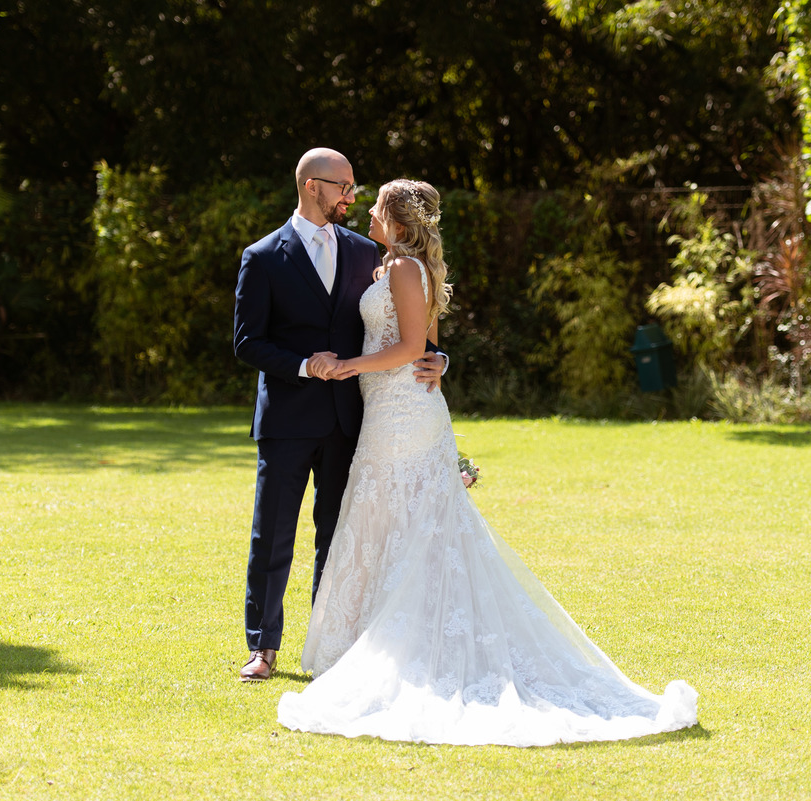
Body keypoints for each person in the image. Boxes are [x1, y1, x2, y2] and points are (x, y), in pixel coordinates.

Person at [276, 179, 697, 746]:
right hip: (389, 412)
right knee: (390, 522)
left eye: (376, 208)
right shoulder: (392, 267)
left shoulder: (402, 270)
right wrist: (422, 359)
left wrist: (350, 366)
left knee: (412, 523)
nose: (368, 214)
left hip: (403, 415)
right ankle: (378, 645)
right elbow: (417, 341)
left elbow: (409, 349)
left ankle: (410, 651)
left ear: (398, 221)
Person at [233, 149, 445, 682]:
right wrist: (306, 365)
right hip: (286, 417)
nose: (352, 196)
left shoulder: (366, 252)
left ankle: (331, 644)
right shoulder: (262, 257)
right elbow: (247, 343)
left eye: (356, 188)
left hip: (354, 419)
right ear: (311, 186)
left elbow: (409, 324)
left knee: (340, 534)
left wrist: (440, 357)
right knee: (273, 533)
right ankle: (263, 647)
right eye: (343, 186)